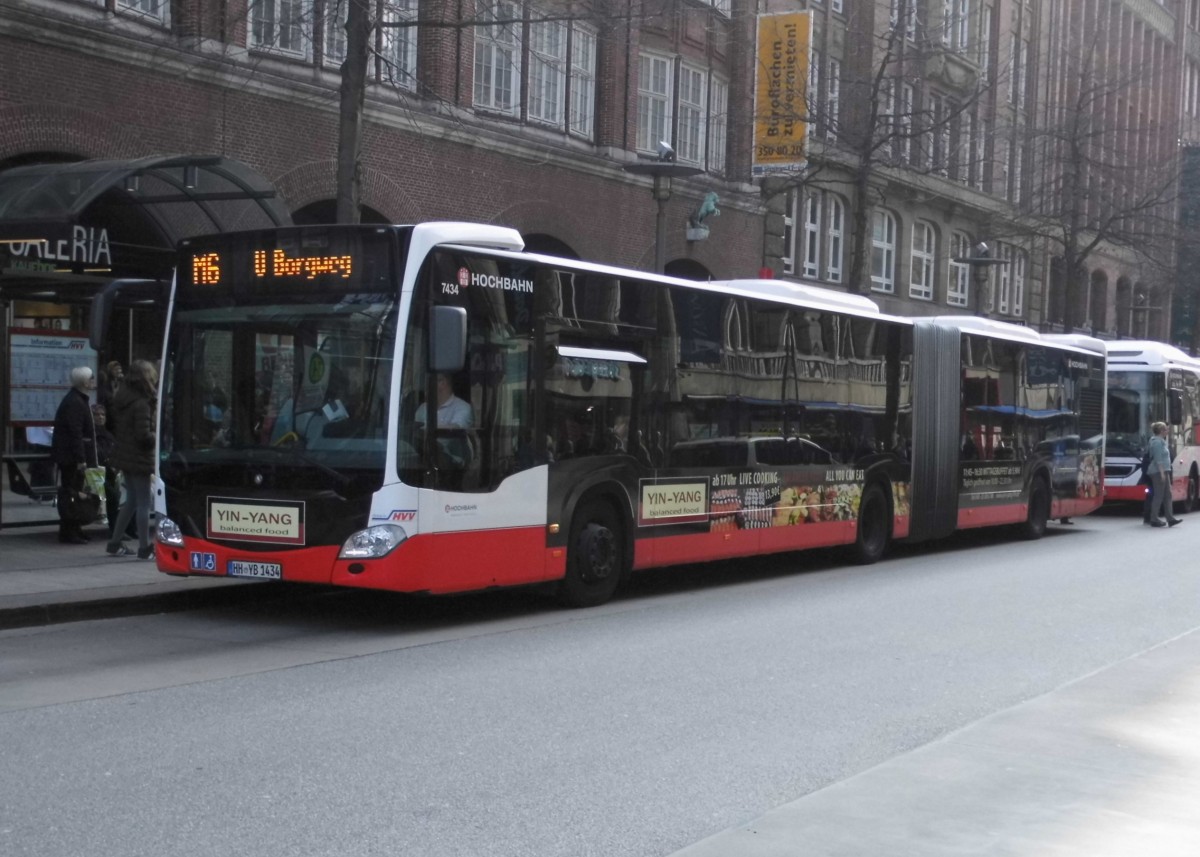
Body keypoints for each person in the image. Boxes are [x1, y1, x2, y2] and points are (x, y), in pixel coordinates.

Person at [106, 360, 159, 559]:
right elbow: (143, 435)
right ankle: (144, 548)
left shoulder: (123, 397)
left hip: (125, 454)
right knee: (144, 502)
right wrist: (157, 436)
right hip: (139, 456)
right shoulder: (142, 403)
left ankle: (114, 542)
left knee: (131, 501)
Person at [51, 366, 98, 544]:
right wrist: (81, 459)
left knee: (76, 493)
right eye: (91, 378)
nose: (93, 381)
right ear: (85, 382)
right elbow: (75, 433)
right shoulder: (75, 402)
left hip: (71, 456)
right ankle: (68, 531)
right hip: (70, 457)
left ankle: (74, 528)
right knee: (72, 493)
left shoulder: (77, 399)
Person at [1146, 421, 1181, 528]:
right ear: (1161, 431)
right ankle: (1154, 519)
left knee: (1168, 495)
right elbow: (1158, 459)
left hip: (1165, 471)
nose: (1168, 431)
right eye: (1166, 429)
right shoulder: (1156, 442)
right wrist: (1162, 473)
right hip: (1158, 471)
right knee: (1159, 495)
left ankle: (1170, 518)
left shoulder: (1161, 441)